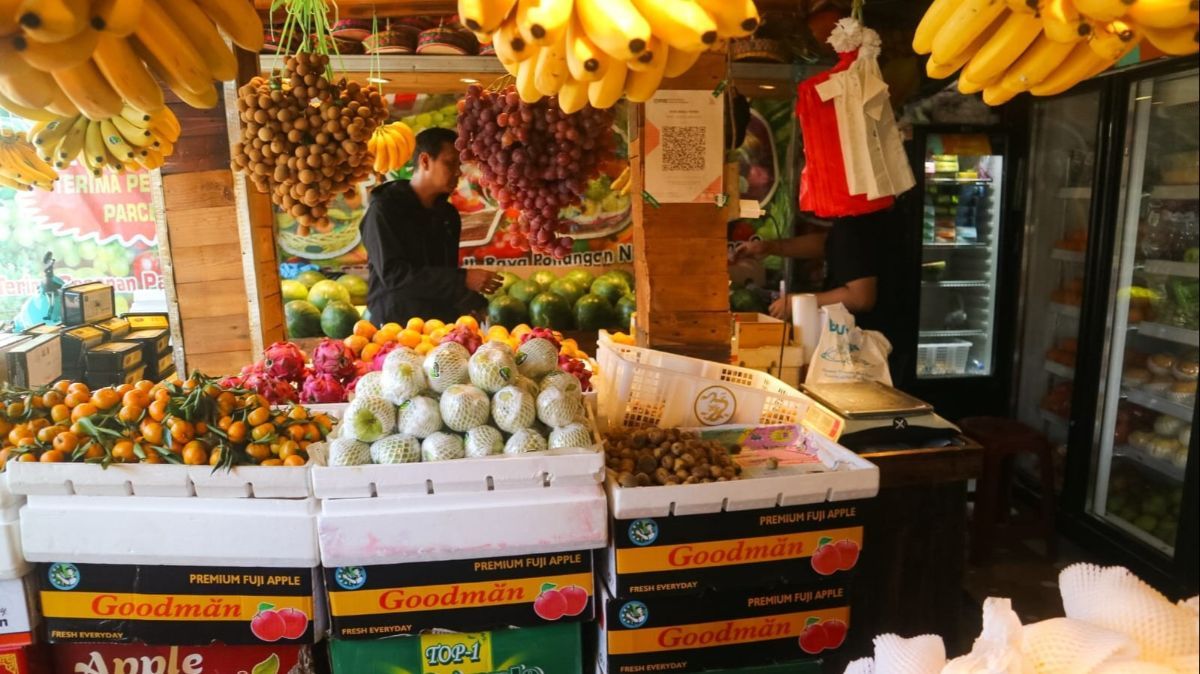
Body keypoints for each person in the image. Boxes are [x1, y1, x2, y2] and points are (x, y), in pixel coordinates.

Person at [360, 127, 501, 325]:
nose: (457, 172)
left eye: (458, 165)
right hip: (395, 326)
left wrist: (474, 303)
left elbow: (442, 275)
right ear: (425, 160)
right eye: (450, 163)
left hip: (439, 327)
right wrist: (463, 279)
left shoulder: (448, 215)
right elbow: (394, 276)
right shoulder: (384, 209)